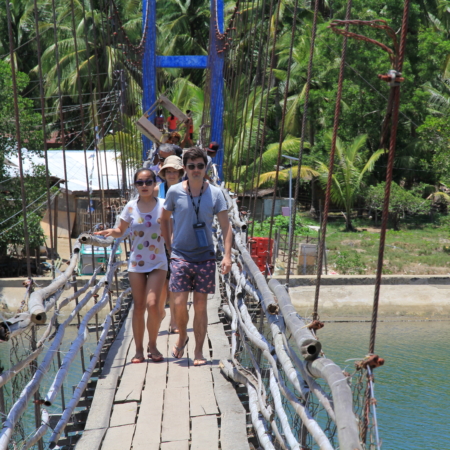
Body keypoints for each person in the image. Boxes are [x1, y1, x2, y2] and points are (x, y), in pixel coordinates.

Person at [160, 147, 232, 366]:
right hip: (181, 256)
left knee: (200, 305)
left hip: (205, 257)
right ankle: (182, 335)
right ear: (185, 169)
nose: (196, 170)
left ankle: (199, 351)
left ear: (206, 167)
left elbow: (226, 226)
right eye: (191, 166)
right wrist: (170, 247)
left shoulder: (216, 193)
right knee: (179, 303)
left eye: (200, 166)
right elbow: (164, 219)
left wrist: (227, 256)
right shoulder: (174, 192)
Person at [95, 168, 168, 363]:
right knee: (139, 306)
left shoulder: (164, 205)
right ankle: (138, 350)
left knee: (153, 305)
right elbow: (121, 230)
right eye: (140, 182)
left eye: (148, 182)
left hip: (158, 261)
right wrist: (112, 232)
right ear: (135, 186)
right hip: (136, 262)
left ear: (155, 184)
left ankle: (152, 345)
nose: (144, 186)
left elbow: (172, 231)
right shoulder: (129, 207)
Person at [154, 156, 185, 334]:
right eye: (169, 171)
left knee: (175, 284)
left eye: (175, 171)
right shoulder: (156, 190)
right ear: (164, 173)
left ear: (181, 173)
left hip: (180, 240)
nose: (172, 174)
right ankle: (160, 314)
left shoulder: (187, 190)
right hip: (159, 242)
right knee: (162, 284)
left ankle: (174, 320)